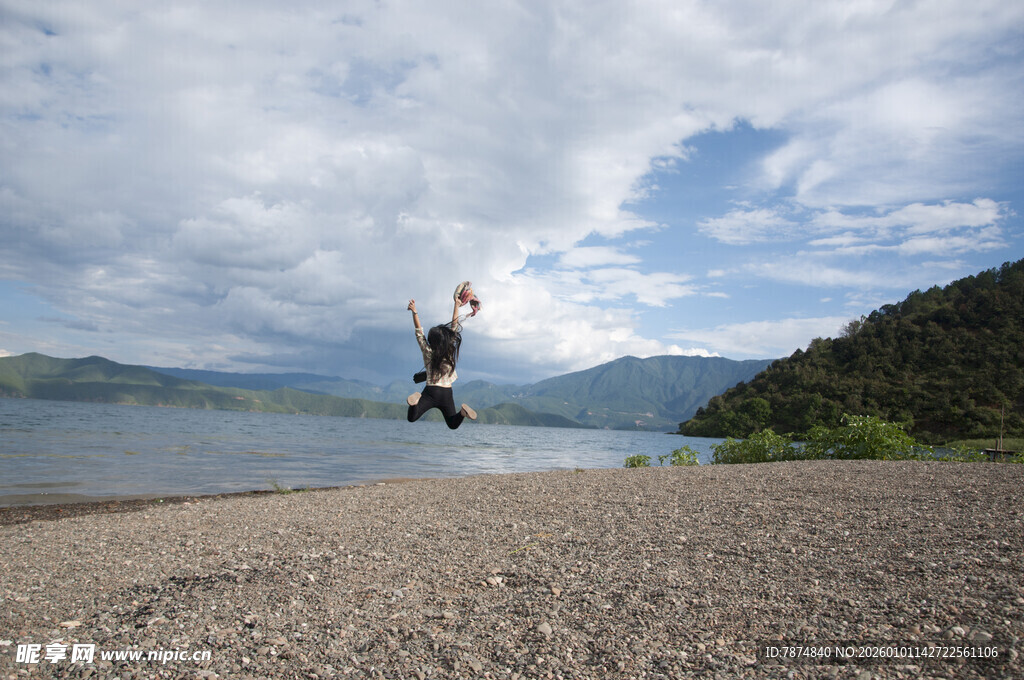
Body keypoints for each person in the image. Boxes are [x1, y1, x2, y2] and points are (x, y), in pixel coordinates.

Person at [406, 295, 477, 429]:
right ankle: (462, 413)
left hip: (431, 391)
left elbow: (418, 332)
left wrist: (414, 311)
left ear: (431, 340)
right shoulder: (449, 350)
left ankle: (414, 403)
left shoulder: (427, 351)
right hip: (446, 393)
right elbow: (454, 325)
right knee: (452, 424)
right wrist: (456, 305)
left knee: (412, 417)